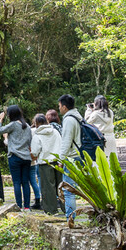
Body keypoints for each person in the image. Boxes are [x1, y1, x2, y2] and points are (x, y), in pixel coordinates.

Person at [0, 105, 33, 210]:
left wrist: (0, 119)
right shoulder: (28, 126)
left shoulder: (13, 125)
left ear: (11, 115)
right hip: (26, 157)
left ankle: (19, 206)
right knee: (25, 182)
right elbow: (30, 142)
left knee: (17, 182)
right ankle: (27, 207)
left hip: (15, 156)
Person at [30, 113, 62, 215]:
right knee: (61, 186)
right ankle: (67, 208)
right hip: (57, 161)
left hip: (45, 163)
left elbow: (35, 151)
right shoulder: (55, 132)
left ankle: (51, 210)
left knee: (48, 188)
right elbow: (61, 145)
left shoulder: (37, 135)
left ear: (36, 123)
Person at [57, 94, 82, 227]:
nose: (59, 108)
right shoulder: (78, 117)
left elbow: (66, 142)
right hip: (80, 156)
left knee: (68, 191)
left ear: (65, 107)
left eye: (60, 106)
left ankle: (70, 219)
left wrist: (60, 160)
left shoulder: (68, 120)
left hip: (71, 158)